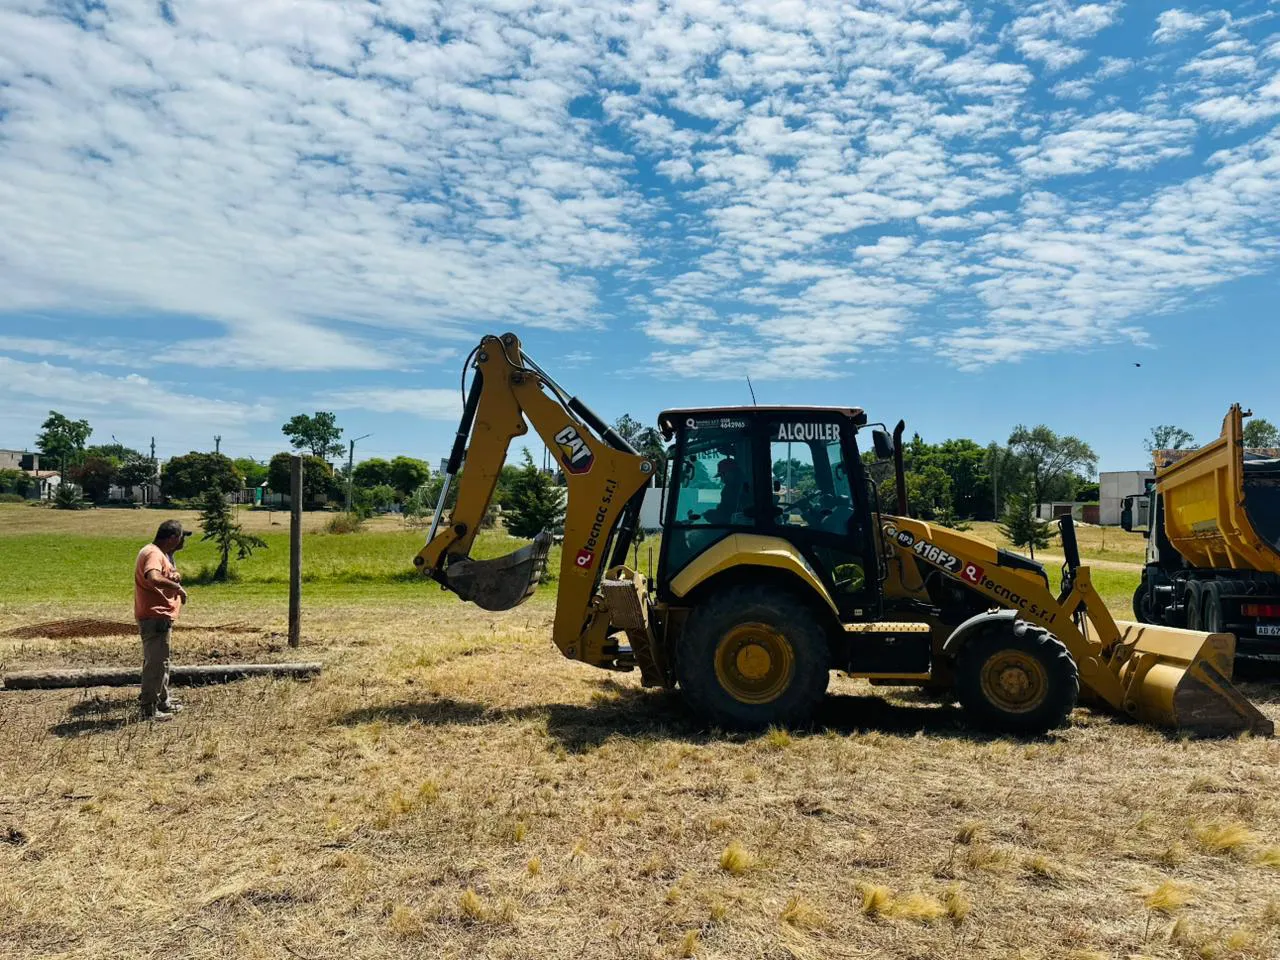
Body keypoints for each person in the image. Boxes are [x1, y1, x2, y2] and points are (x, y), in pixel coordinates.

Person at [134, 520, 190, 721]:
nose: (182, 541)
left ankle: (162, 700)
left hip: (160, 617)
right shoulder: (153, 553)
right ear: (173, 538)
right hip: (154, 616)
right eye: (180, 537)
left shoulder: (159, 553)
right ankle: (148, 709)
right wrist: (176, 588)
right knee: (156, 663)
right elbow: (153, 577)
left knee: (162, 661)